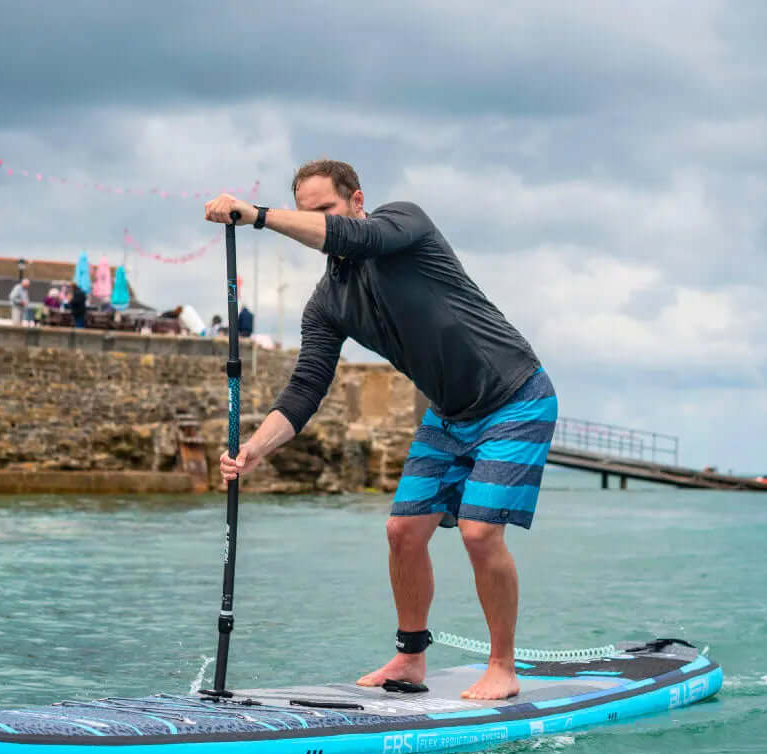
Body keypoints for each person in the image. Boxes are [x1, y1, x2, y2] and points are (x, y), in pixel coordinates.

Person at [205, 159, 558, 701]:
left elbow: (350, 236)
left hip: (516, 397)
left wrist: (256, 217)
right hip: (448, 414)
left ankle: (502, 666)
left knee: (479, 532)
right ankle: (410, 657)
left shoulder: (403, 225)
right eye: (309, 213)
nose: (317, 223)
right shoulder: (327, 304)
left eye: (324, 209)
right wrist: (255, 448)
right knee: (401, 532)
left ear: (356, 200)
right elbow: (305, 389)